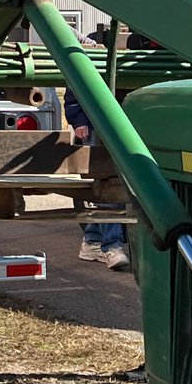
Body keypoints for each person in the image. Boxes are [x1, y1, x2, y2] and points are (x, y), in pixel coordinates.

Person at [64, 85, 130, 271]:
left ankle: (92, 241)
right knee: (109, 184)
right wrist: (79, 119)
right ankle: (112, 246)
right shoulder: (100, 56)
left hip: (122, 121)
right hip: (98, 124)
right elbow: (75, 83)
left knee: (112, 184)